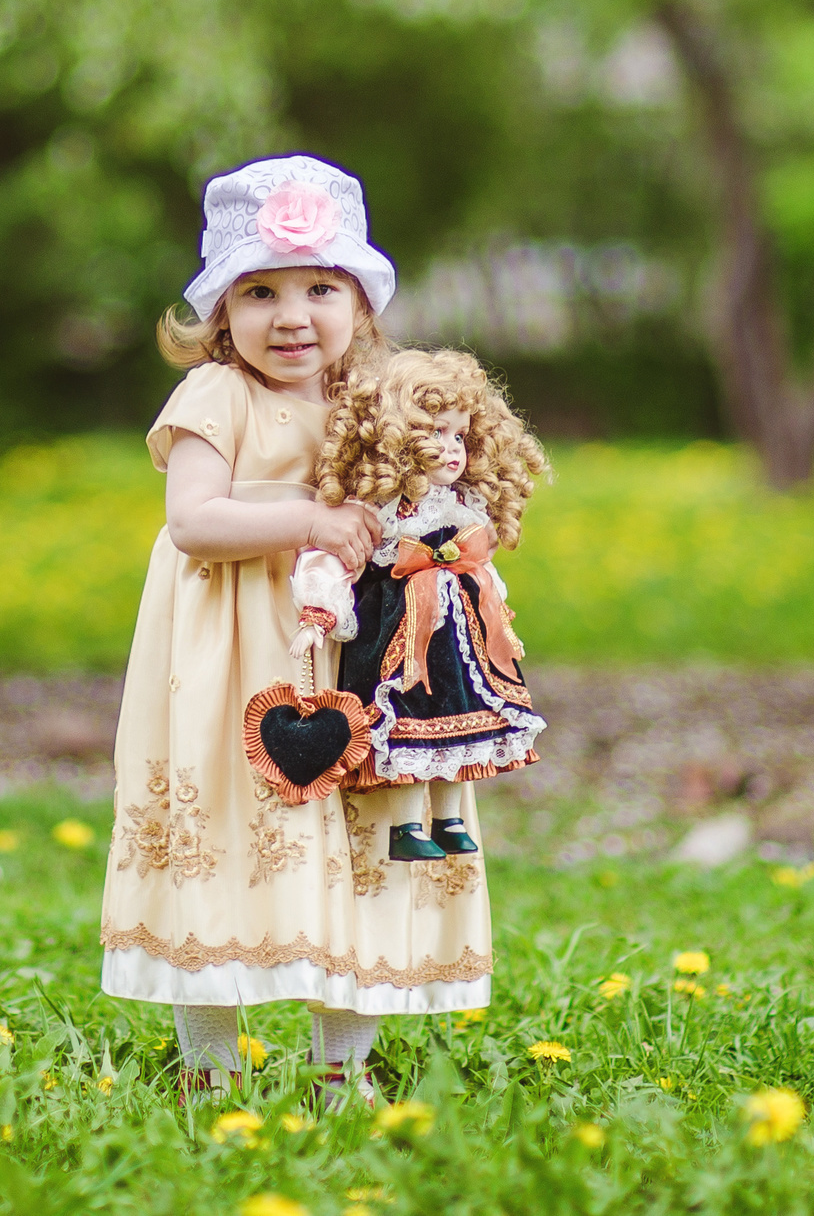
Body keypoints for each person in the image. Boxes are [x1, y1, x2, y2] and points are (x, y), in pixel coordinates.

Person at [99, 154, 492, 1103]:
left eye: (322, 286)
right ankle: (209, 1063)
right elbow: (194, 519)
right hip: (230, 661)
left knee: (360, 842)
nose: (292, 315)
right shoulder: (218, 398)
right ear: (219, 313)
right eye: (260, 290)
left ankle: (338, 1067)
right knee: (222, 833)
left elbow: (419, 496)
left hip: (352, 657)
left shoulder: (376, 402)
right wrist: (310, 521)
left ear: (360, 302)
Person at [298, 348, 549, 862]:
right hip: (397, 630)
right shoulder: (380, 513)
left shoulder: (460, 506)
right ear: (395, 440)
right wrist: (319, 613)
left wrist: (492, 604)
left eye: (459, 435)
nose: (453, 449)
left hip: (456, 637)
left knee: (463, 713)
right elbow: (333, 561)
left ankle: (450, 818)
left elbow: (479, 563)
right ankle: (408, 825)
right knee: (408, 722)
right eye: (437, 433)